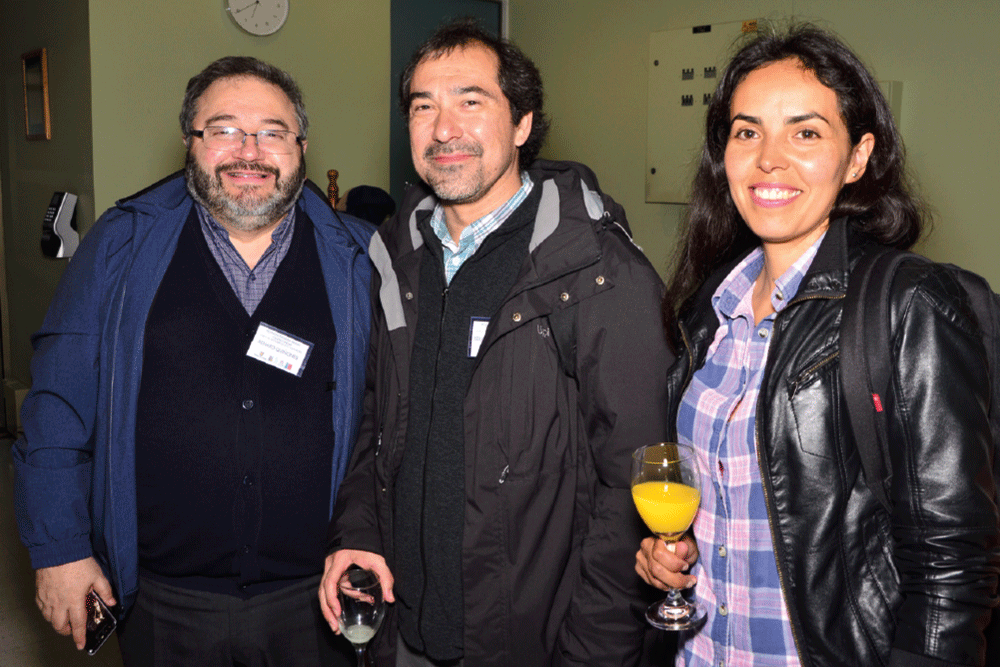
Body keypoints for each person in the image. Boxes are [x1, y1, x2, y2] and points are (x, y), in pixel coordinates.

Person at [637, 24, 1000, 667]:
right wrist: (673, 552)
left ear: (857, 158)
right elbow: (732, 502)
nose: (769, 158)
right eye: (747, 131)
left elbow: (953, 566)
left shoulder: (907, 304)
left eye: (805, 133)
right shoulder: (706, 310)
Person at [320, 19, 673, 667]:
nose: (444, 127)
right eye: (423, 106)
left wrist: (596, 652)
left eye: (470, 101)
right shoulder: (398, 255)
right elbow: (380, 419)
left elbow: (635, 487)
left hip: (535, 646)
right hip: (405, 636)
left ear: (522, 124)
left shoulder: (596, 269)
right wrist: (358, 533)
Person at [12, 56, 375, 666]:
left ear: (302, 146)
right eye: (224, 129)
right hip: (166, 600)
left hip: (316, 597)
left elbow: (392, 420)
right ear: (190, 144)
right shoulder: (120, 246)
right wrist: (59, 549)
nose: (249, 150)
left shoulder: (362, 258)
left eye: (272, 131)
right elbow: (56, 406)